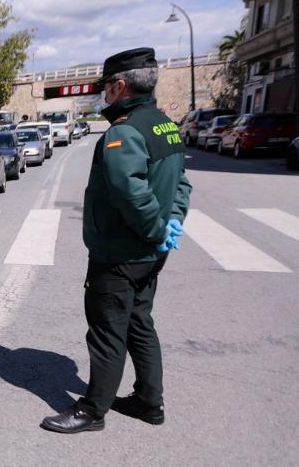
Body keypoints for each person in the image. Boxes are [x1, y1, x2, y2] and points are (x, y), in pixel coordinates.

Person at [41, 47, 190, 434]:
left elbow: (131, 193)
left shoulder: (124, 132)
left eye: (106, 85)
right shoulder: (165, 125)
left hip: (120, 252)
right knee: (139, 323)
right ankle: (149, 401)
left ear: (120, 86)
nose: (103, 92)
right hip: (150, 252)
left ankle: (93, 411)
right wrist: (170, 226)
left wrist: (156, 229)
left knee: (107, 331)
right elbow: (182, 185)